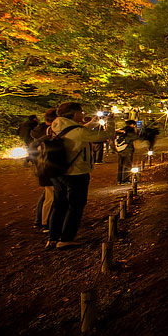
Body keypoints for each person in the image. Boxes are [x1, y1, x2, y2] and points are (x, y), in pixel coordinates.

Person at [46, 102, 115, 249]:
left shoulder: (55, 126)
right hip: (76, 172)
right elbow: (108, 135)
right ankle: (66, 238)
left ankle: (53, 238)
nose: (83, 114)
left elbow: (78, 131)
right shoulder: (78, 131)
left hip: (58, 171)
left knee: (59, 205)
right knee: (75, 206)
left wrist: (93, 122)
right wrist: (111, 122)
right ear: (74, 113)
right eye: (81, 112)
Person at [28, 109, 57, 230]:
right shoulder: (49, 132)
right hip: (49, 166)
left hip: (41, 165)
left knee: (47, 194)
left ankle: (40, 220)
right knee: (50, 195)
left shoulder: (38, 130)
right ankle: (46, 221)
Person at [116, 120, 139, 184]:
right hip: (127, 149)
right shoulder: (130, 131)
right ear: (132, 124)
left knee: (120, 165)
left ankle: (119, 180)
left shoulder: (121, 130)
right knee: (127, 165)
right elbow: (134, 137)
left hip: (120, 149)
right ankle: (125, 179)